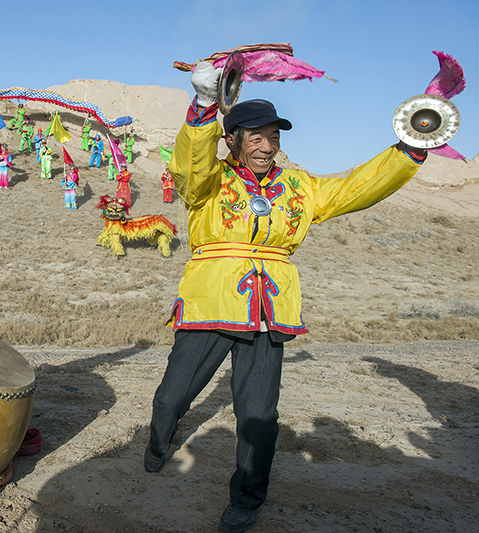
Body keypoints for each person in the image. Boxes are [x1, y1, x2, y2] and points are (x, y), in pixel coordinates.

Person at [145, 62, 428, 533]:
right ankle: (158, 442)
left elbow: (357, 186)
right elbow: (190, 164)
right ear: (231, 139)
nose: (266, 144)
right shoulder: (209, 182)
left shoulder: (300, 188)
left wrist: (412, 147)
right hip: (211, 301)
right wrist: (202, 106)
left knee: (259, 414)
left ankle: (248, 497)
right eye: (254, 136)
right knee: (173, 394)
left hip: (269, 308)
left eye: (273, 135)